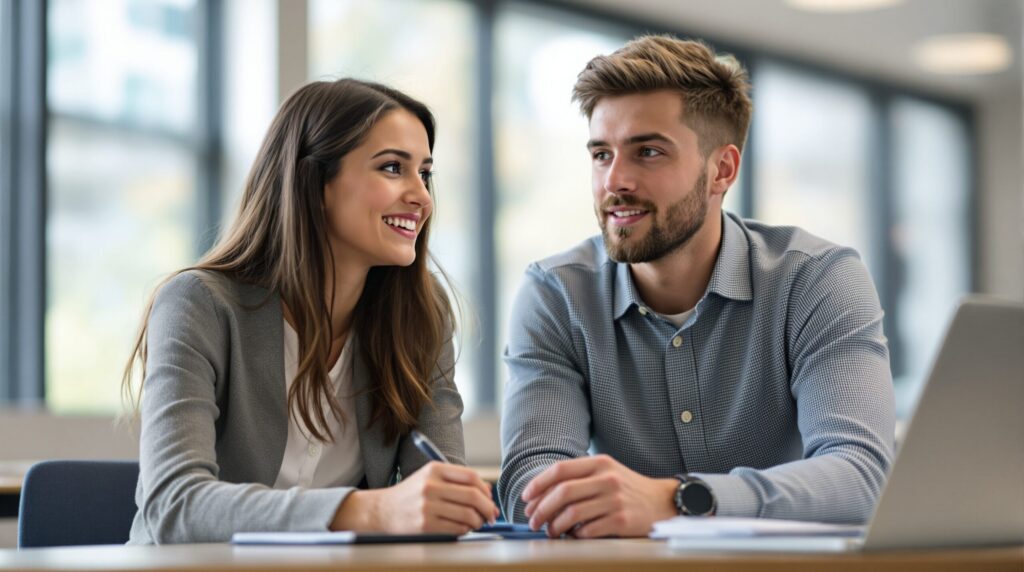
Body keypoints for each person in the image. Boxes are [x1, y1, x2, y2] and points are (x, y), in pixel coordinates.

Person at [498, 35, 894, 538]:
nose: (614, 181)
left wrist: (680, 500)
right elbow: (531, 490)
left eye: (648, 152)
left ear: (721, 170)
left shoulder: (816, 279)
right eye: (601, 154)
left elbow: (861, 478)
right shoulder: (557, 295)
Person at [123, 78, 499, 544]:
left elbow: (440, 490)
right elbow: (174, 507)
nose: (422, 197)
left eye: (424, 173)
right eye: (391, 168)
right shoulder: (197, 305)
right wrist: (368, 509)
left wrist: (451, 507)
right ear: (316, 183)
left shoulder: (422, 317)